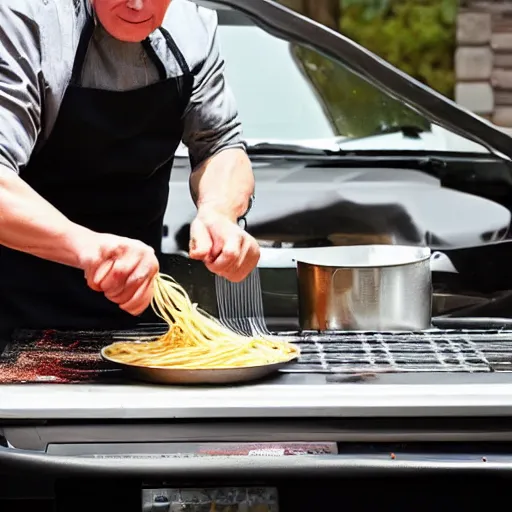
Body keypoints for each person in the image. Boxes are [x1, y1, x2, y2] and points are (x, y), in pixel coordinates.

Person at [0, 0, 260, 337]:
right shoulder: (27, 21)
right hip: (14, 311)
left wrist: (219, 213)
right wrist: (90, 248)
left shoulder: (192, 26)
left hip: (136, 307)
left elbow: (220, 144)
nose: (137, 4)